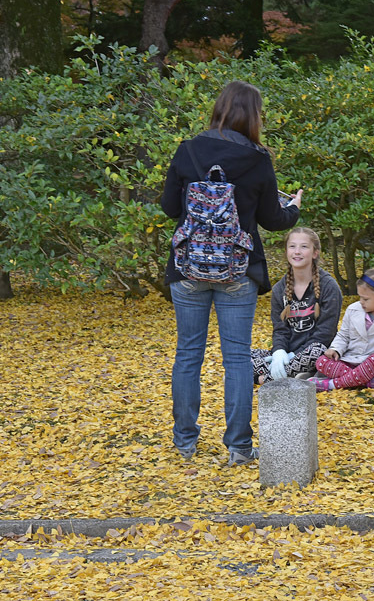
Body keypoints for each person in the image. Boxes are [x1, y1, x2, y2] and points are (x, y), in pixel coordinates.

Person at [161, 81, 302, 465]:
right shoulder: (257, 159)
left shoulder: (188, 150)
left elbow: (169, 208)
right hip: (238, 271)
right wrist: (293, 209)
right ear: (254, 116)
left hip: (188, 268)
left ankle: (184, 442)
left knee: (188, 353)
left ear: (219, 108)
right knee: (236, 358)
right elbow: (274, 220)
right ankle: (239, 446)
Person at [251, 228, 343, 384]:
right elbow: (280, 330)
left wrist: (293, 356)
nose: (297, 251)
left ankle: (262, 378)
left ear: (315, 253)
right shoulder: (280, 289)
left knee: (317, 351)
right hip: (287, 355)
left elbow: (325, 334)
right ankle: (289, 374)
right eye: (292, 246)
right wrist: (280, 353)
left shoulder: (329, 286)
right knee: (241, 353)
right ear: (286, 251)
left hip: (316, 355)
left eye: (304, 247)